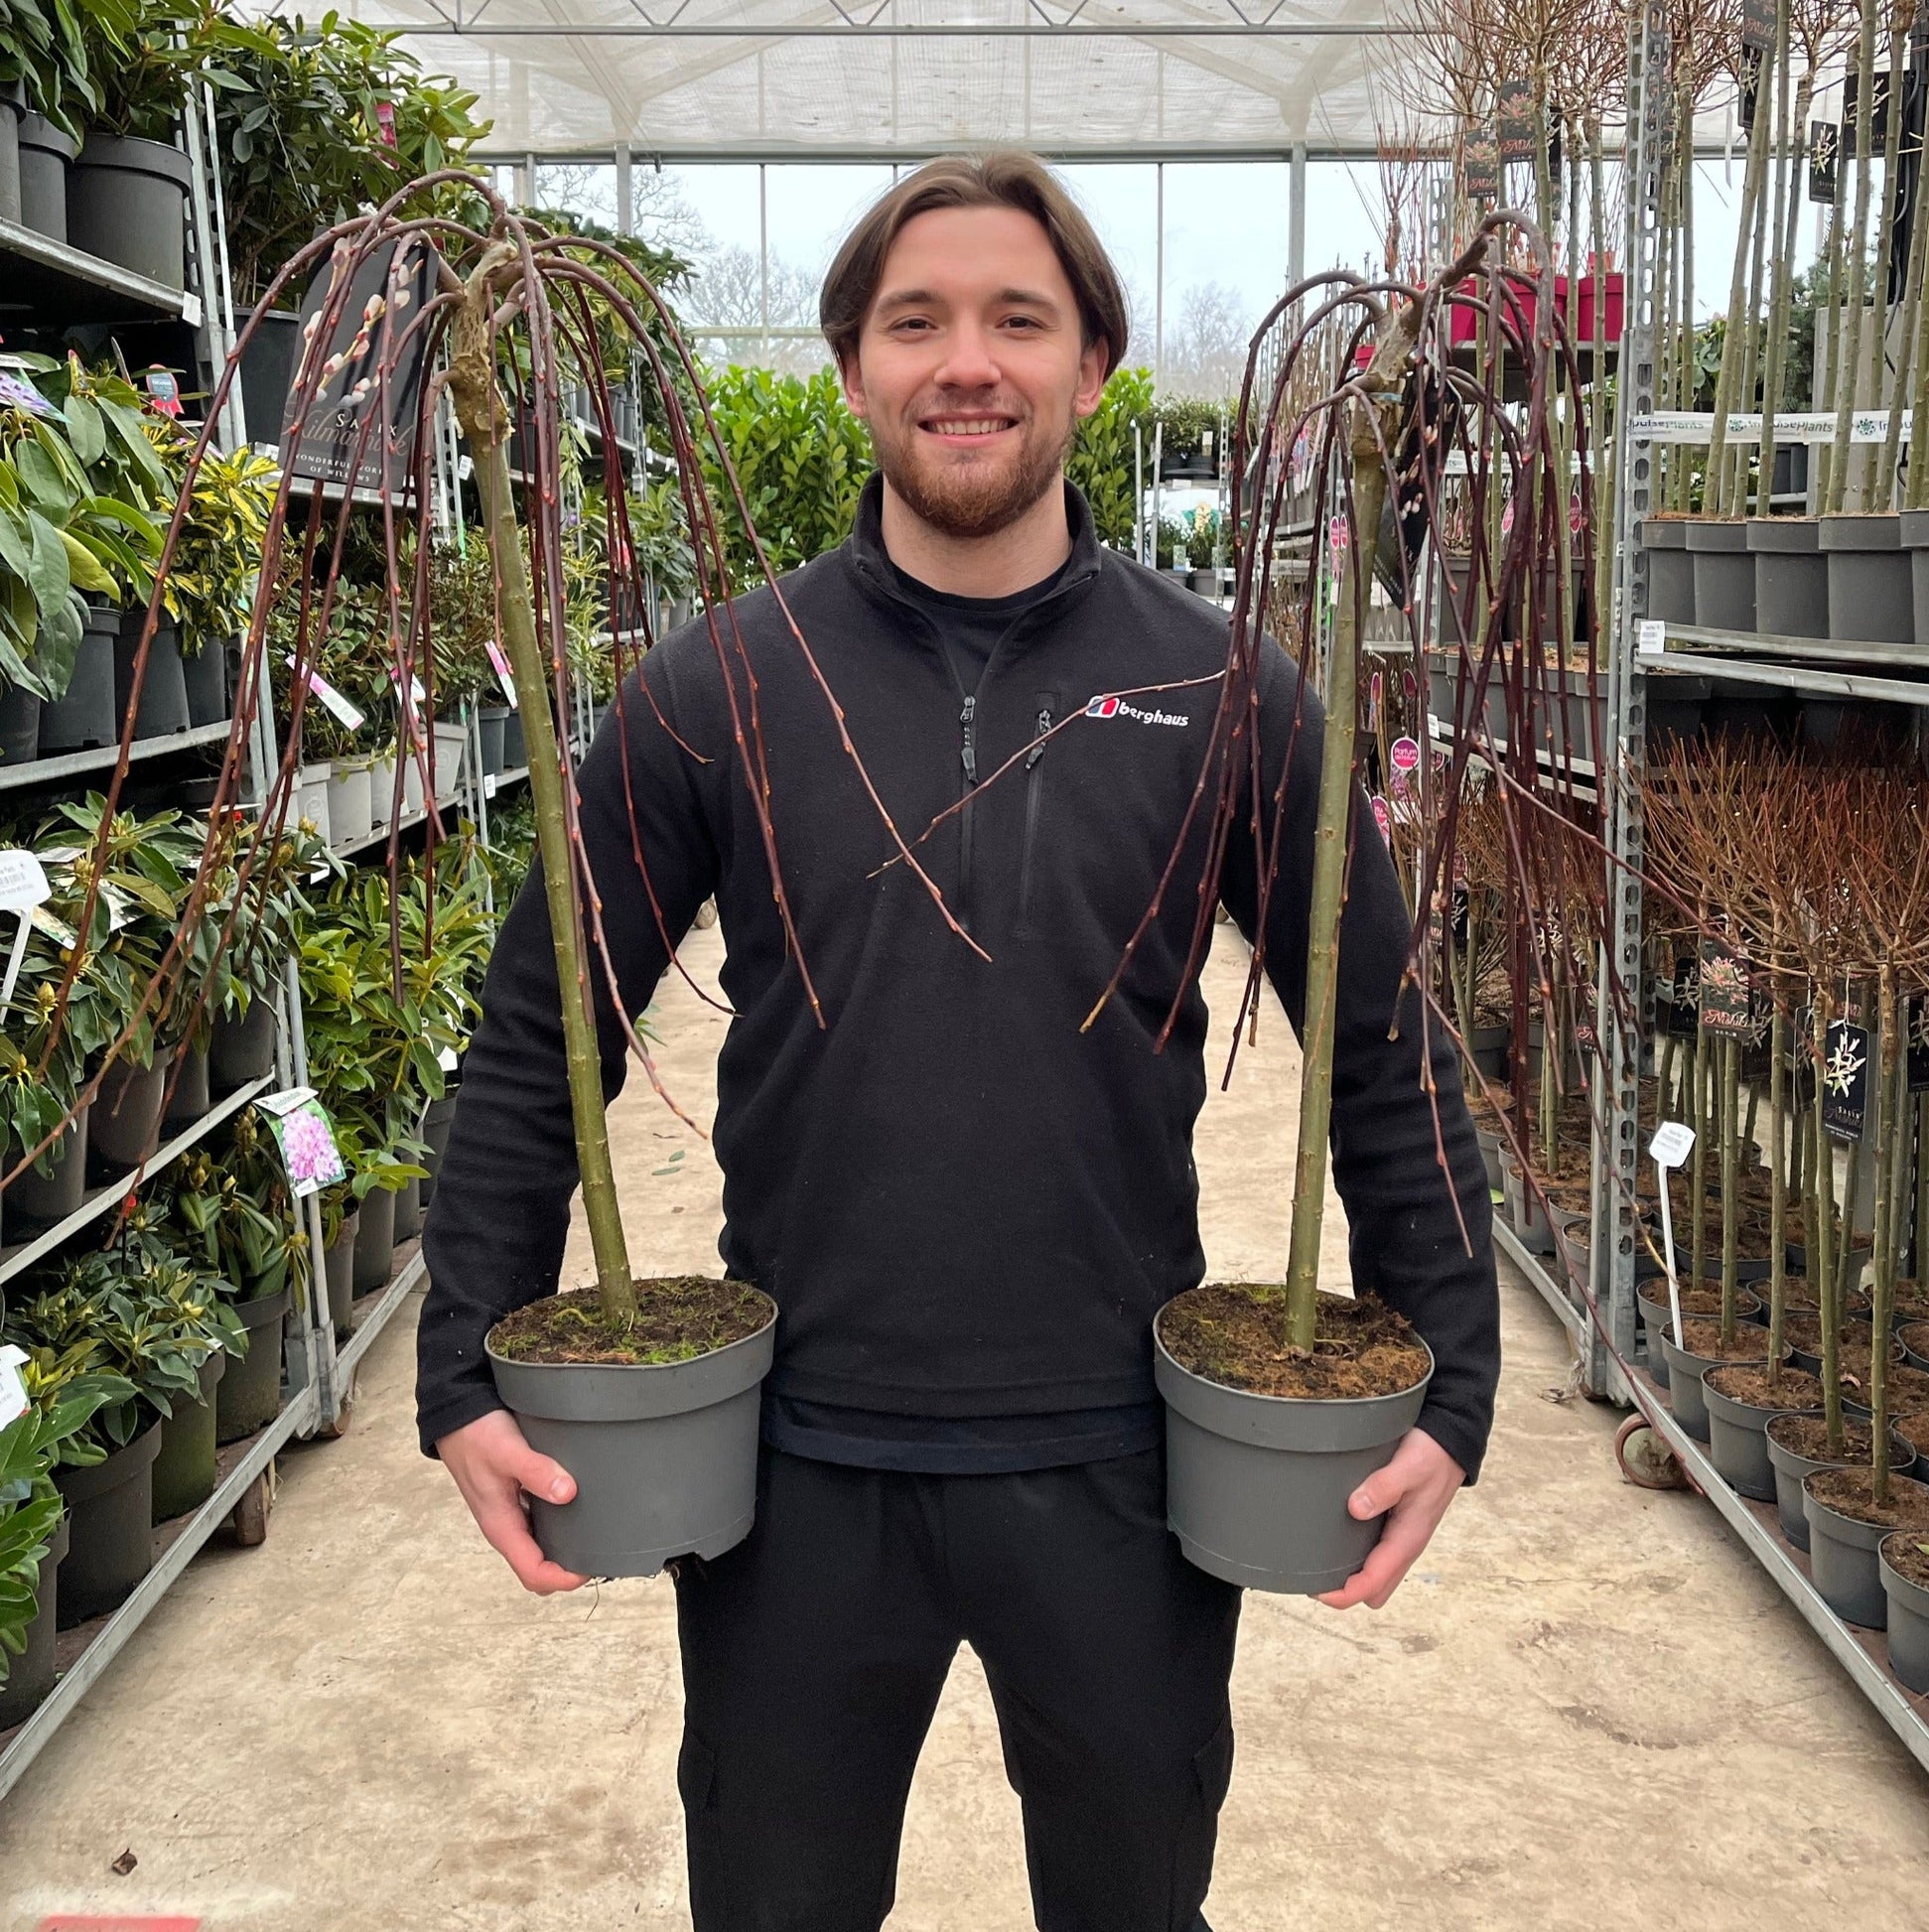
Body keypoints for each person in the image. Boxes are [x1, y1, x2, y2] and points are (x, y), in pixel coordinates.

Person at [418, 152, 1499, 1932]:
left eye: (1019, 319)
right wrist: (463, 1358)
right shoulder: (721, 686)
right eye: (915, 322)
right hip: (789, 1458)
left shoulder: (1223, 691)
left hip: (1122, 1455)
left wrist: (1448, 1382)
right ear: (852, 367)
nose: (967, 362)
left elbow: (1380, 1036)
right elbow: (545, 1032)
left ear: (1094, 365)